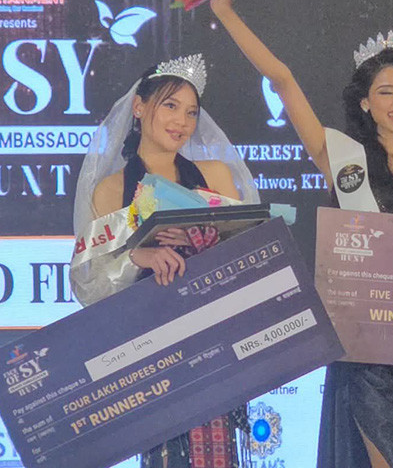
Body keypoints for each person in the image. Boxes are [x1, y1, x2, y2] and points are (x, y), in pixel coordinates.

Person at [209, 0, 393, 468]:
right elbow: (283, 79)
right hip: (370, 357)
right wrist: (226, 14)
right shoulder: (341, 156)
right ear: (365, 102)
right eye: (386, 91)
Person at [68, 54, 260, 468]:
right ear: (139, 108)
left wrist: (203, 239)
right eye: (170, 106)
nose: (182, 121)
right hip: (155, 352)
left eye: (191, 112)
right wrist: (137, 256)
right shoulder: (112, 189)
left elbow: (250, 255)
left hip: (216, 342)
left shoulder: (215, 175)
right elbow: (89, 281)